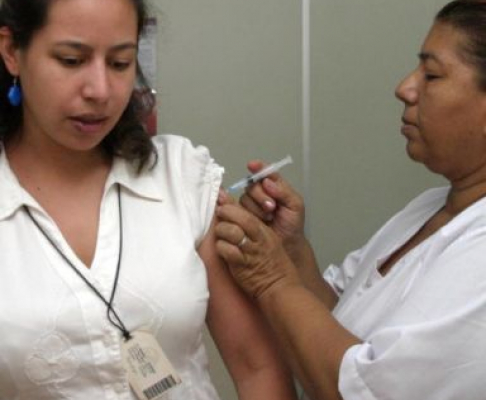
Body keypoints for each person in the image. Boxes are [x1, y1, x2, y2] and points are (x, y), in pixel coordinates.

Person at [0, 0, 298, 400]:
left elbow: (258, 367)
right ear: (10, 51)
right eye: (72, 60)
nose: (100, 91)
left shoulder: (181, 177)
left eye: (120, 63)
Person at [215, 1, 486, 399]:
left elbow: (363, 388)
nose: (404, 87)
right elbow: (342, 321)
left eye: (431, 74)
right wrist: (291, 250)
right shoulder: (432, 206)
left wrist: (272, 278)